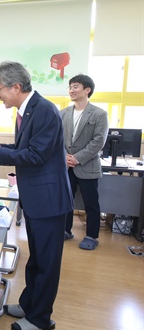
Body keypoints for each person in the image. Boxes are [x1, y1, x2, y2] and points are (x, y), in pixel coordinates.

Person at [0, 61, 73, 330]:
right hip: (36, 198)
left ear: (15, 87)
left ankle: (41, 317)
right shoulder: (28, 110)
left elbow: (36, 155)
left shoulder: (43, 110)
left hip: (49, 200)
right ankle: (29, 303)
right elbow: (25, 148)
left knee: (47, 261)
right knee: (36, 259)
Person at [60, 74, 108, 250]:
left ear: (87, 90)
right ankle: (66, 231)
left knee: (91, 204)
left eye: (75, 87)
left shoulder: (99, 114)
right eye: (70, 87)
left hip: (87, 165)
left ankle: (91, 236)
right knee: (66, 200)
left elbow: (98, 141)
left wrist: (77, 158)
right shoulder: (63, 113)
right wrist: (65, 156)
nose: (71, 90)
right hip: (66, 165)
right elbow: (58, 138)